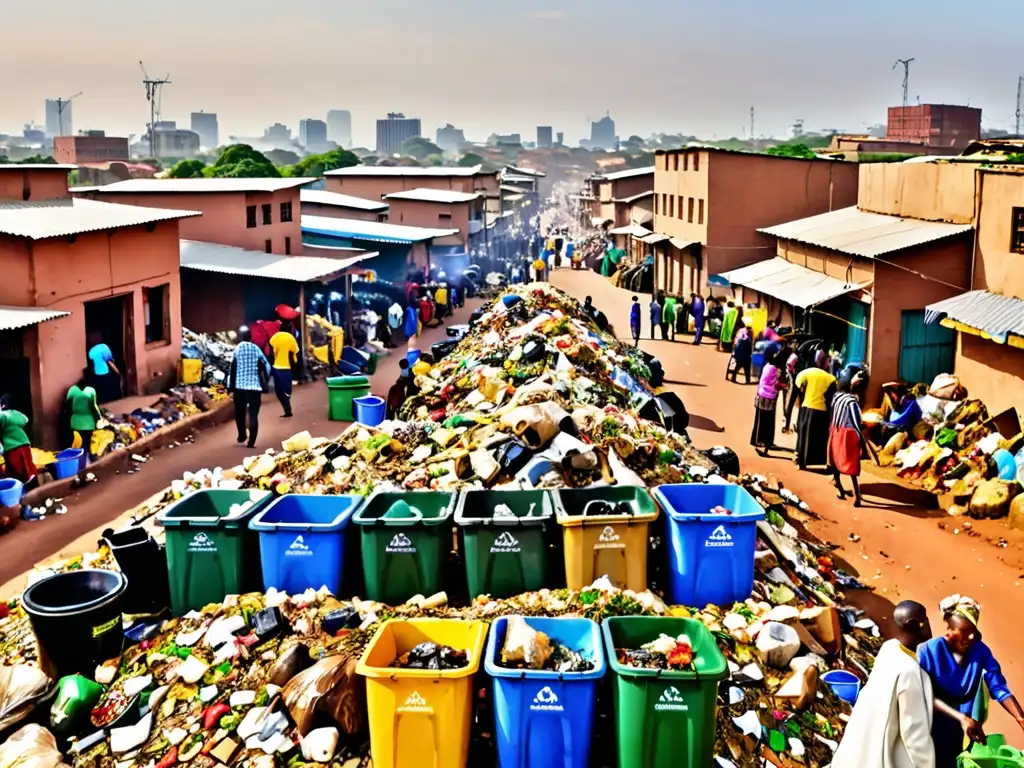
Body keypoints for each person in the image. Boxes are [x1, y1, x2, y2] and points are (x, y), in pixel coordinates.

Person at [919, 595, 1024, 768]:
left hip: (961, 730)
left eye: (972, 632)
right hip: (928, 729)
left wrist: (1020, 717)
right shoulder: (928, 652)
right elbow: (921, 694)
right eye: (962, 631)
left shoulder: (980, 652)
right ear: (949, 628)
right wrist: (961, 718)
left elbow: (997, 686)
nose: (968, 638)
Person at [830, 600, 937, 768]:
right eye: (926, 619)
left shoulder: (890, 648)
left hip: (853, 754)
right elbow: (914, 734)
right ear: (913, 624)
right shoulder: (910, 671)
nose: (929, 624)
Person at [829, 371, 874, 506]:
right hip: (848, 435)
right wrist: (863, 432)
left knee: (835, 461)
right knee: (851, 465)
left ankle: (841, 491)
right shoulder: (852, 402)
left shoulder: (836, 397)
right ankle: (857, 497)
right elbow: (856, 422)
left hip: (836, 431)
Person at [228, 326, 271, 449]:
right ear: (250, 337)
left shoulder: (237, 349)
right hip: (254, 387)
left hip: (240, 387)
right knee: (253, 414)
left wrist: (229, 387)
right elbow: (267, 366)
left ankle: (242, 435)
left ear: (240, 337)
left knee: (239, 412)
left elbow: (232, 368)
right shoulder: (256, 349)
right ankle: (251, 441)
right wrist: (265, 378)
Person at [794, 363, 837, 470]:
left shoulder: (801, 376)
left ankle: (800, 460)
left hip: (806, 408)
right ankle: (819, 461)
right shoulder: (831, 379)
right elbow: (831, 399)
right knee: (818, 437)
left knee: (803, 435)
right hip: (821, 410)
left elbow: (798, 393)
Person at [750, 350, 787, 456]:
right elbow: (775, 384)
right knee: (767, 422)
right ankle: (764, 443)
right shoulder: (774, 369)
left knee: (760, 420)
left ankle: (758, 441)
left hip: (762, 394)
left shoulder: (768, 366)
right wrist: (781, 386)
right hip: (768, 397)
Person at [268, 320, 299, 418]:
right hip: (287, 367)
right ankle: (287, 408)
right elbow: (295, 351)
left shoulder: (274, 337)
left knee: (279, 390)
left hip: (276, 366)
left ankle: (287, 409)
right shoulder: (291, 338)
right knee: (287, 389)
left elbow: (271, 352)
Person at [0, 407, 37, 487]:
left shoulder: (3, 415)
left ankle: (25, 489)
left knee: (18, 471)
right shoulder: (16, 414)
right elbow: (25, 420)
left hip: (13, 447)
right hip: (24, 443)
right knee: (27, 468)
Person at [66, 376, 102, 457]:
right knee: (88, 442)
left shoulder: (72, 390)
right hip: (88, 422)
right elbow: (94, 406)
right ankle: (89, 458)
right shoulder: (91, 390)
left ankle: (77, 459)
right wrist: (99, 419)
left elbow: (67, 406)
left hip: (75, 422)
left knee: (77, 443)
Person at [87, 332, 122, 404]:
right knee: (109, 387)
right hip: (105, 371)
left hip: (96, 372)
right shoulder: (104, 347)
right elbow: (109, 360)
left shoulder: (91, 351)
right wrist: (117, 371)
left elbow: (91, 359)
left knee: (101, 389)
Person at [782, 346, 800, 433]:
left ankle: (787, 424)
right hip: (795, 380)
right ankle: (789, 424)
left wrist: (790, 371)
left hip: (793, 379)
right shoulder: (795, 356)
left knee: (789, 403)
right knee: (792, 403)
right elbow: (789, 364)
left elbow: (788, 364)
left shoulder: (793, 356)